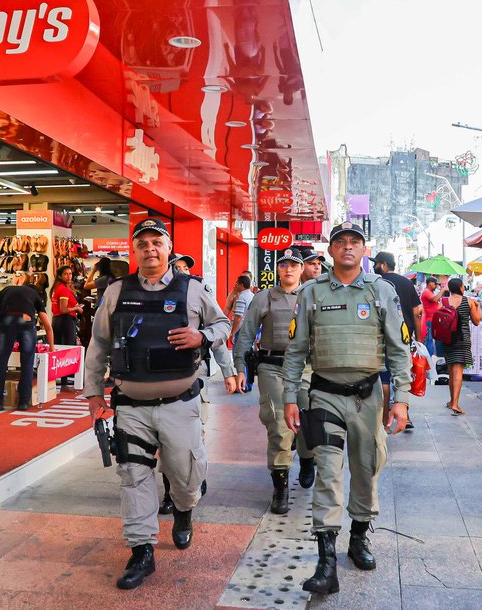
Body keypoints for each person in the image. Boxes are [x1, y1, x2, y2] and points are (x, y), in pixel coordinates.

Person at [84, 218, 230, 590]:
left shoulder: (192, 289)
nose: (150, 249)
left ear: (169, 249)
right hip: (130, 404)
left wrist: (201, 335)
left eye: (157, 242)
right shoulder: (117, 291)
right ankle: (141, 550)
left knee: (184, 475)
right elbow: (99, 344)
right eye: (143, 243)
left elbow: (223, 325)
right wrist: (93, 394)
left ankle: (183, 510)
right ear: (134, 251)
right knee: (134, 477)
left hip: (180, 403)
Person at [281, 221, 412, 596]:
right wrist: (291, 396)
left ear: (364, 249)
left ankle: (358, 537)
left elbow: (399, 351)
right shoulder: (311, 292)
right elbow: (296, 351)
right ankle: (326, 560)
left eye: (355, 242)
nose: (348, 248)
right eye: (341, 242)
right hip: (324, 395)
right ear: (331, 249)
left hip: (368, 397)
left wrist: (400, 400)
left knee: (367, 467)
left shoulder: (380, 291)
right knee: (327, 470)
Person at [233, 248, 315, 515]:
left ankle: (306, 459)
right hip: (271, 367)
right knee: (279, 424)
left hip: (305, 369)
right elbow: (245, 334)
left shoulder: (312, 296)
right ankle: (280, 486)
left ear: (301, 269)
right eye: (284, 265)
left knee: (308, 421)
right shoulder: (263, 298)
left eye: (294, 265)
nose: (288, 270)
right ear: (277, 270)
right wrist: (240, 368)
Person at [158, 253, 236, 515]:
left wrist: (229, 371)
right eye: (177, 267)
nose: (181, 272)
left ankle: (193, 480)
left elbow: (216, 337)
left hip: (195, 376)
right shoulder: (153, 297)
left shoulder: (197, 294)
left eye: (185, 268)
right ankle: (171, 490)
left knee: (194, 435)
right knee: (164, 442)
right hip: (159, 379)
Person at [0, 272, 54, 411]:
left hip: (6, 322)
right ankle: (23, 402)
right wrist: (52, 349)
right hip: (26, 323)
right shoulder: (35, 295)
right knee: (27, 363)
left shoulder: (8, 289)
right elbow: (47, 326)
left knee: (1, 362)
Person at [373, 252, 420, 433]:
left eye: (377, 263)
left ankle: (385, 419)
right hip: (404, 335)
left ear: (383, 265)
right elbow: (417, 312)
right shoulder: (407, 283)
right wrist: (418, 337)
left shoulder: (378, 284)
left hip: (382, 336)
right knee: (402, 373)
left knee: (384, 378)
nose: (376, 267)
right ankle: (403, 413)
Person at [440, 277, 482, 416]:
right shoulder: (468, 302)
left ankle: (452, 400)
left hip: (447, 338)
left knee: (452, 370)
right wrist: (478, 307)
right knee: (458, 371)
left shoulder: (444, 301)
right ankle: (455, 404)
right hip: (462, 338)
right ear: (460, 287)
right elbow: (477, 321)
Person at [50, 265, 83, 346]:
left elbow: (53, 308)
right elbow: (63, 309)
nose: (69, 276)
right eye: (66, 274)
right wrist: (77, 308)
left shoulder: (56, 288)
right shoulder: (63, 290)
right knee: (68, 348)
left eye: (70, 274)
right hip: (66, 321)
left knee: (59, 347)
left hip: (56, 320)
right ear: (60, 276)